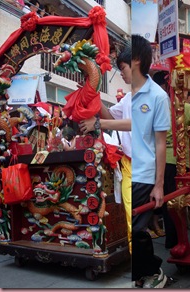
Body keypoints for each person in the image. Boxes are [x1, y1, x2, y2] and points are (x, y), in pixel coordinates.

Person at [79, 46, 133, 258]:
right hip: (128, 163)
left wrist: (97, 123)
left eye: (123, 67)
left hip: (145, 164)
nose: (121, 73)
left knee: (137, 217)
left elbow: (132, 123)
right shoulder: (128, 98)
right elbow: (111, 114)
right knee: (131, 215)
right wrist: (91, 94)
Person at [129, 35, 170, 288]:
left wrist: (159, 185)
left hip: (144, 174)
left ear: (136, 60)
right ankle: (141, 273)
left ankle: (154, 272)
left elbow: (160, 143)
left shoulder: (157, 97)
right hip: (125, 172)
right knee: (129, 231)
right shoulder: (127, 95)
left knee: (136, 229)